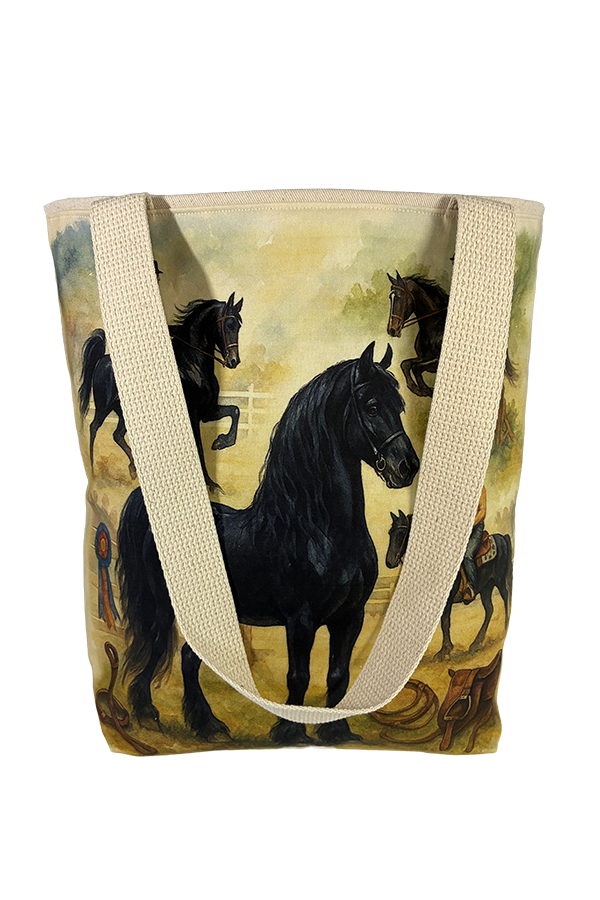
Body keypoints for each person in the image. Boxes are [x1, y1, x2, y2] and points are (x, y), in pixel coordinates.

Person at [462, 487, 486, 602]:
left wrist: (469, 524)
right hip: (460, 527)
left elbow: (482, 512)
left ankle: (471, 586)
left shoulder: (480, 489)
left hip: (476, 527)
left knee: (467, 555)